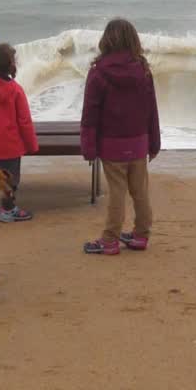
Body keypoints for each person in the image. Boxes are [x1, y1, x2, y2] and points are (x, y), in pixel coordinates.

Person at [80, 18, 161, 255]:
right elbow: (152, 110)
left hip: (112, 144)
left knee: (116, 192)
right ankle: (141, 235)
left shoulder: (98, 73)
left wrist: (89, 148)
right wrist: (154, 142)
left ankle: (110, 240)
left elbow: (90, 114)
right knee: (140, 191)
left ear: (106, 41)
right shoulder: (143, 70)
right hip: (138, 142)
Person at [0, 43, 39, 222]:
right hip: (11, 146)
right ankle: (8, 210)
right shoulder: (15, 90)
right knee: (9, 180)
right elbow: (24, 121)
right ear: (11, 64)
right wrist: (31, 144)